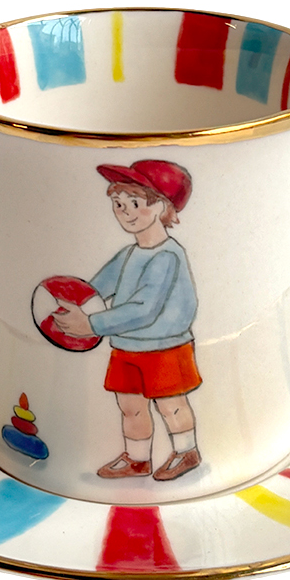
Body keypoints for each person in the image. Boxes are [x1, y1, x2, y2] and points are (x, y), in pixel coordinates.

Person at [53, 160, 203, 481]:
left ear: (160, 206)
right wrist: (69, 302)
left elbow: (143, 309)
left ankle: (186, 451)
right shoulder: (128, 254)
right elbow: (95, 289)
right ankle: (137, 459)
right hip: (126, 346)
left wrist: (91, 325)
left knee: (170, 404)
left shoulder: (167, 255)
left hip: (164, 347)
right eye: (118, 204)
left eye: (134, 203)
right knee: (130, 405)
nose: (124, 212)